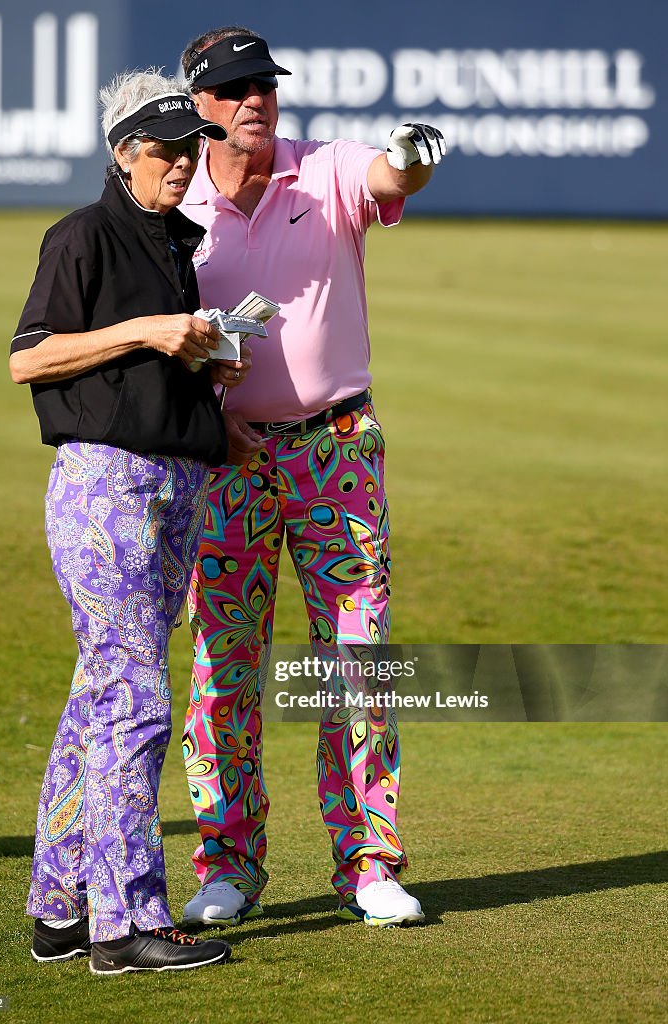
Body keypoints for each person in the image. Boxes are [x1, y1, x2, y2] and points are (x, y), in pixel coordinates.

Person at [176, 27, 447, 929]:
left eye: (264, 84)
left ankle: (369, 863)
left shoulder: (322, 169)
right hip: (225, 462)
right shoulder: (176, 208)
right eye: (235, 88)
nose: (256, 99)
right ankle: (228, 862)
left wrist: (410, 156)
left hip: (334, 447)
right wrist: (208, 422)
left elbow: (388, 175)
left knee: (358, 661)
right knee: (223, 664)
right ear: (200, 106)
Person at [11, 69, 251, 975]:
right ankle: (125, 925)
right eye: (165, 151)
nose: (183, 166)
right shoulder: (84, 234)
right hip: (107, 489)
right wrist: (151, 332)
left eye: (192, 151)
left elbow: (144, 365)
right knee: (138, 701)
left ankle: (59, 908)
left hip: (171, 486)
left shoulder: (171, 241)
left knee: (100, 702)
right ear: (122, 153)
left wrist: (205, 368)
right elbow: (28, 357)